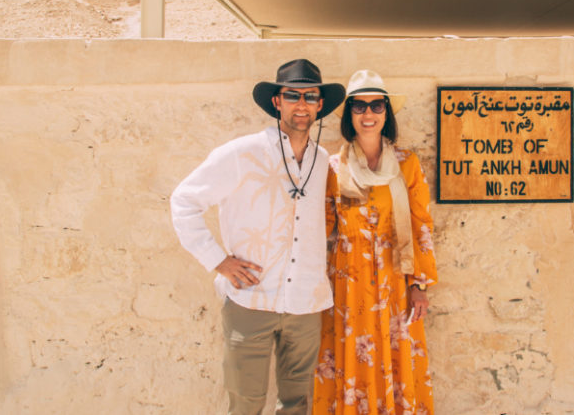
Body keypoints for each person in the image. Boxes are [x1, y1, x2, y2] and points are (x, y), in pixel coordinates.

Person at [170, 58, 345, 415]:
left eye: (309, 96)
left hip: (305, 304)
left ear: (320, 105)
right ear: (276, 102)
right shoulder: (241, 153)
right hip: (251, 300)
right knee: (245, 402)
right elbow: (184, 201)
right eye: (292, 95)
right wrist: (217, 260)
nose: (301, 104)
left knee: (298, 403)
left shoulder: (322, 159)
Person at [313, 70, 438, 415]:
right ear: (350, 115)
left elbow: (420, 224)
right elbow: (323, 227)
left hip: (395, 281)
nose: (368, 114)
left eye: (376, 105)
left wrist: (420, 285)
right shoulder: (333, 167)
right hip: (347, 284)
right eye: (359, 106)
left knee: (396, 358)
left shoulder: (406, 164)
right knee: (350, 358)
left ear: (386, 113)